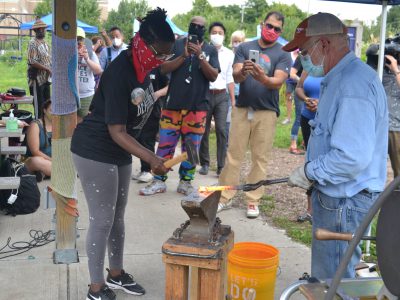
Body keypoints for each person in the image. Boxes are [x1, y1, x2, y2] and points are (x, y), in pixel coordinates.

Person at [71, 8, 174, 300]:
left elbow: (164, 71)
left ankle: (115, 274)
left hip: (119, 150)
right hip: (95, 148)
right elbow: (116, 130)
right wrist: (151, 158)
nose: (162, 60)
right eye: (160, 54)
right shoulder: (120, 71)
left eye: (166, 55)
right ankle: (95, 288)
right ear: (143, 44)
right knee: (102, 220)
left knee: (118, 218)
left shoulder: (145, 65)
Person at [284, 13, 388, 279]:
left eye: (304, 51)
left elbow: (351, 158)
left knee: (335, 282)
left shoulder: (353, 85)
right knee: (329, 279)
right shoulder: (338, 78)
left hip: (345, 200)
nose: (302, 58)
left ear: (324, 45)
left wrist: (310, 172)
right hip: (339, 197)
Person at [217, 11, 291, 218]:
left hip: (267, 112)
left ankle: (253, 200)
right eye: (269, 26)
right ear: (262, 24)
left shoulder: (283, 53)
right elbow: (237, 76)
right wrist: (244, 72)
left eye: (277, 28)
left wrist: (262, 77)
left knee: (260, 158)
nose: (272, 31)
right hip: (242, 109)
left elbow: (277, 82)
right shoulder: (244, 47)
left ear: (281, 31)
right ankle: (225, 197)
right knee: (233, 155)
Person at [139, 16, 220, 196]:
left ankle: (186, 182)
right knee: (165, 145)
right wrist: (184, 56)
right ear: (189, 26)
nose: (196, 28)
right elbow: (163, 69)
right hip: (172, 105)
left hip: (197, 107)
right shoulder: (176, 45)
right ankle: (159, 180)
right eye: (194, 25)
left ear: (204, 30)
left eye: (200, 26)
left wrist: (199, 55)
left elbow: (213, 76)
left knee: (191, 148)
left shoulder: (210, 50)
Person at [199, 21, 235, 176]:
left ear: (224, 36)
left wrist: (233, 99)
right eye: (214, 32)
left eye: (220, 33)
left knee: (221, 130)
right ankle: (205, 163)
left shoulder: (229, 54)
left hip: (222, 95)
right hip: (205, 94)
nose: (217, 35)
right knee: (204, 130)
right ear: (209, 34)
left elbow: (229, 78)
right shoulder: (203, 50)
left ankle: (221, 166)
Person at [131, 67, 169, 183]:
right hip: (135, 109)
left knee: (147, 139)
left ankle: (147, 170)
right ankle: (143, 169)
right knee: (134, 139)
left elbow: (169, 86)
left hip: (152, 110)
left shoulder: (159, 68)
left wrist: (157, 94)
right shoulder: (135, 68)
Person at [27, 18, 51, 119]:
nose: (43, 31)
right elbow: (32, 61)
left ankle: (46, 128)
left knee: (47, 104)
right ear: (36, 31)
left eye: (44, 29)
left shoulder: (45, 43)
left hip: (46, 79)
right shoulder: (33, 43)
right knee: (39, 106)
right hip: (36, 79)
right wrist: (48, 69)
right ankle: (38, 127)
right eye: (40, 29)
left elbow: (48, 59)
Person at [77, 27, 102, 121]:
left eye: (80, 39)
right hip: (70, 95)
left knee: (84, 120)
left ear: (84, 40)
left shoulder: (90, 53)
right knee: (70, 121)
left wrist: (87, 59)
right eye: (75, 39)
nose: (78, 42)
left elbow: (99, 71)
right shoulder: (67, 52)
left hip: (86, 95)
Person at [24, 100, 52, 181]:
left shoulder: (59, 125)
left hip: (53, 161)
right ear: (44, 110)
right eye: (51, 110)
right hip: (36, 160)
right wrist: (52, 161)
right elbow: (35, 151)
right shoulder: (35, 125)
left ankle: (44, 172)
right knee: (36, 161)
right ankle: (63, 172)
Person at [227, 30, 246, 144]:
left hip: (242, 91)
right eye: (235, 41)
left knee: (241, 118)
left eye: (239, 41)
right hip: (229, 91)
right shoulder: (229, 55)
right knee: (229, 118)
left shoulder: (245, 56)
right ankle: (229, 141)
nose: (237, 43)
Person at [384, 54, 400, 178]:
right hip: (380, 127)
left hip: (396, 129)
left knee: (398, 171)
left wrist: (396, 71)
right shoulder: (379, 71)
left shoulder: (397, 73)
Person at [288, 54, 305, 155]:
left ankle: (305, 142)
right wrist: (303, 81)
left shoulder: (320, 56)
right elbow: (292, 74)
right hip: (300, 90)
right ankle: (293, 145)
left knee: (311, 117)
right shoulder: (302, 57)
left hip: (313, 91)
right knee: (299, 117)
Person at [282, 49, 299, 125]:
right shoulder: (289, 54)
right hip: (290, 81)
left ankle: (298, 119)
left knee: (299, 100)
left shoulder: (302, 55)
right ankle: (288, 118)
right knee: (289, 98)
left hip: (299, 82)